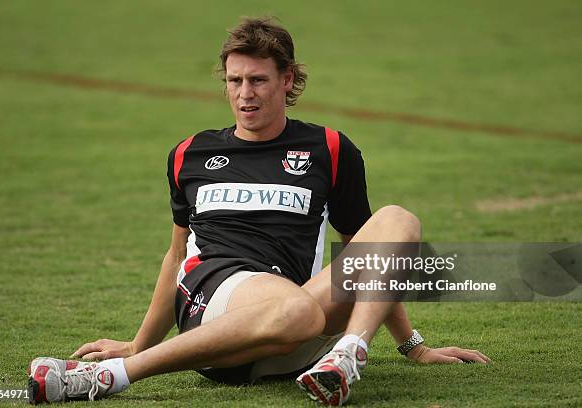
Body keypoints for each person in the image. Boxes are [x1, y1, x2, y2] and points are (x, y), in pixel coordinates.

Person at [27, 17, 490, 406]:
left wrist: (413, 347)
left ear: (287, 80)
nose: (244, 94)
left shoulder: (329, 148)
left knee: (397, 221)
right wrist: (136, 342)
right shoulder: (191, 153)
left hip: (294, 337)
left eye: (258, 80)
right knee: (297, 309)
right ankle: (116, 375)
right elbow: (174, 259)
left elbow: (367, 258)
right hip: (215, 302)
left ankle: (349, 352)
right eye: (235, 81)